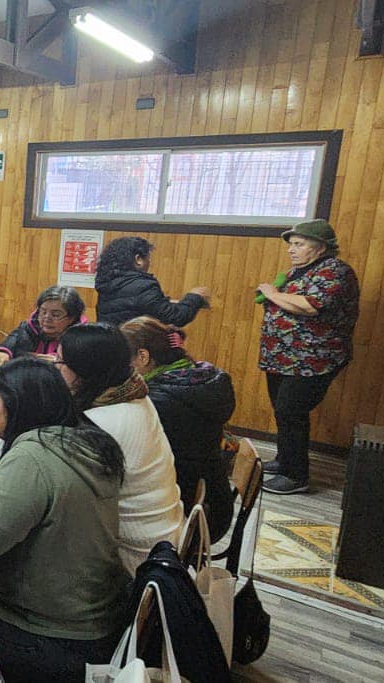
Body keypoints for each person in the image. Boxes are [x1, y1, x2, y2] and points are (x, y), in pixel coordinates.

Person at [0, 358, 132, 679]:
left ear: (18, 404)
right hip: (95, 621)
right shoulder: (86, 439)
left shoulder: (31, 456)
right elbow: (51, 490)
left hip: (46, 636)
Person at [58, 324, 184, 570]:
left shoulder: (99, 424)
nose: (55, 370)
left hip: (135, 560)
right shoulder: (134, 394)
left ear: (84, 371)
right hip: (164, 536)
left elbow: (49, 490)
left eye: (60, 363)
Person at [257, 219, 359, 495]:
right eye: (291, 245)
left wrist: (273, 293)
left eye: (299, 244)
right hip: (283, 357)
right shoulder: (299, 271)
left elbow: (310, 306)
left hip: (312, 359)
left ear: (321, 246)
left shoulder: (335, 271)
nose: (292, 250)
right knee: (283, 410)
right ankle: (284, 460)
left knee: (292, 411)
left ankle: (296, 475)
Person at [119, 317, 235, 541]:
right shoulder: (199, 379)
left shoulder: (160, 401)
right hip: (213, 495)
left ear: (143, 357)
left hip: (192, 513)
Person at [93, 237, 210, 326]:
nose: (150, 264)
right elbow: (175, 317)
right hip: (135, 350)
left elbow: (132, 306)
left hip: (110, 347)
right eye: (148, 259)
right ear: (138, 259)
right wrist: (195, 296)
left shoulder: (108, 283)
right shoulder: (143, 287)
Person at [0, 286, 87, 366]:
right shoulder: (28, 328)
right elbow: (11, 343)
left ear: (72, 318)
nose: (47, 318)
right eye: (43, 312)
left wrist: (62, 364)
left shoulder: (82, 339)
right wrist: (3, 353)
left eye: (56, 315)